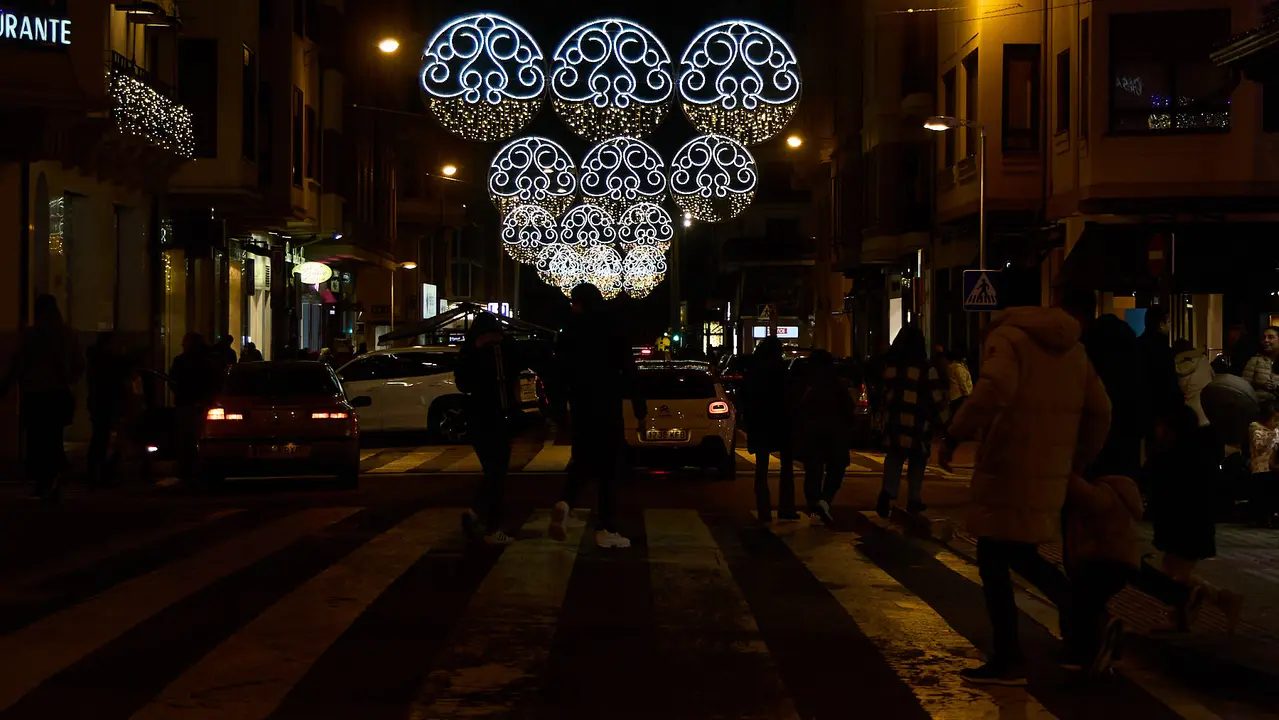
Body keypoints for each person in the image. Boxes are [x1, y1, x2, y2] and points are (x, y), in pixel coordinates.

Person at [940, 272, 1112, 685]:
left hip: (1008, 467)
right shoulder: (1075, 351)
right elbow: (1101, 410)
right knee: (1018, 555)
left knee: (994, 558)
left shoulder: (1009, 339)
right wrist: (1077, 460)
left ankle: (1011, 657)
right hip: (1048, 473)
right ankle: (1089, 624)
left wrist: (954, 434)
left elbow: (993, 390)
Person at [548, 284, 646, 549]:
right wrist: (640, 409)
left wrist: (559, 411)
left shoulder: (569, 331)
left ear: (579, 303)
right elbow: (629, 368)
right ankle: (606, 528)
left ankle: (565, 502)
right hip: (607, 405)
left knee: (582, 460)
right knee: (609, 469)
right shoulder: (612, 326)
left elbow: (557, 374)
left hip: (581, 406)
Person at [1140, 404, 1244, 631]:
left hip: (1185, 524)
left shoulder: (1178, 455)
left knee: (1173, 573)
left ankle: (1220, 600)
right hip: (1186, 523)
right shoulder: (1191, 451)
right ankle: (1196, 611)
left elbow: (1165, 486)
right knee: (1174, 571)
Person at [456, 312, 552, 545]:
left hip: (478, 418)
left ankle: (476, 514)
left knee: (493, 472)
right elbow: (530, 357)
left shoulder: (468, 352)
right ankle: (490, 526)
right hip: (497, 417)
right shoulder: (502, 349)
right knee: (497, 473)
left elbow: (463, 384)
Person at [0, 295, 83, 500]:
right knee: (54, 437)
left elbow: (18, 364)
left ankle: (43, 481)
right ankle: (54, 476)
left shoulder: (31, 336)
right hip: (57, 393)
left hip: (35, 394)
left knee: (37, 439)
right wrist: (67, 377)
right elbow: (79, 365)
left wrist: (5, 387)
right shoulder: (68, 334)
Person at [1062, 473, 1143, 675]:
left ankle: (1087, 651)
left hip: (1103, 560)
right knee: (1090, 603)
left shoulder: (1101, 492)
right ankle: (1110, 646)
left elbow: (1088, 500)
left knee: (1081, 605)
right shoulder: (1120, 489)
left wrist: (1069, 476)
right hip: (1121, 561)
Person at [1061, 287, 1143, 479]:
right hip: (1127, 440)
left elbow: (1095, 407)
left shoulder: (1083, 351)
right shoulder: (1129, 345)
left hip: (1094, 450)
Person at [877, 325, 946, 519]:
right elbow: (936, 397)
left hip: (894, 422)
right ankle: (914, 498)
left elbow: (884, 394)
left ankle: (888, 492)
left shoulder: (892, 367)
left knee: (895, 457)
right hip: (917, 421)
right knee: (918, 459)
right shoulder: (925, 369)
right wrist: (943, 421)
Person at [791, 350, 855, 525]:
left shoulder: (808, 386)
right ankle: (824, 501)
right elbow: (848, 411)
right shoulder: (836, 386)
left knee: (814, 471)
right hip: (834, 435)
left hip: (813, 436)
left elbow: (799, 410)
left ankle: (816, 503)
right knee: (835, 470)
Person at [744, 336, 798, 525]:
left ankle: (764, 509)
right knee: (787, 467)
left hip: (761, 424)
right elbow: (790, 397)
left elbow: (748, 400)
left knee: (761, 469)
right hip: (781, 423)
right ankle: (786, 508)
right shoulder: (782, 371)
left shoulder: (754, 372)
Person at [85, 332, 134, 488]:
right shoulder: (108, 362)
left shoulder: (97, 361)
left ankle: (98, 472)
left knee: (101, 438)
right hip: (107, 403)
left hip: (101, 403)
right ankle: (103, 472)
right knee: (104, 439)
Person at [169, 333, 216, 481]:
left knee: (187, 437)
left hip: (187, 403)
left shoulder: (182, 361)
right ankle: (196, 466)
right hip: (200, 403)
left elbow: (173, 381)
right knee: (197, 436)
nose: (182, 344)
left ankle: (188, 467)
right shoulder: (209, 360)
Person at [1248, 401, 1279, 528]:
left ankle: (1272, 516)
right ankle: (1261, 518)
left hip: (1274, 467)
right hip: (1261, 468)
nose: (1276, 423)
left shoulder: (1276, 430)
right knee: (1262, 494)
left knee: (1272, 494)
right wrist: (1271, 436)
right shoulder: (1255, 428)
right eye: (1274, 420)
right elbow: (1259, 446)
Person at [1174, 339, 1214, 427]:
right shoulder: (1203, 361)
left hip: (1187, 413)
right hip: (1205, 411)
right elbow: (1213, 380)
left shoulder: (1176, 367)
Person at [1242, 326, 1279, 403]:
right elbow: (1244, 386)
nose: (1266, 340)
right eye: (1264, 337)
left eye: (1270, 337)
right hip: (1260, 405)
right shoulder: (1255, 361)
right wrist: (1261, 387)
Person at [946, 346, 973, 420]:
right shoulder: (958, 368)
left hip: (954, 397)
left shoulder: (951, 367)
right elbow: (963, 384)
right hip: (960, 397)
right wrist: (968, 395)